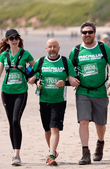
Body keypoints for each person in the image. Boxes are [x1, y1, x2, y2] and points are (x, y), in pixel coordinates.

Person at [68, 21, 110, 165]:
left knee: (100, 124)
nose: (87, 34)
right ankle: (85, 153)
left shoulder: (103, 48)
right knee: (83, 121)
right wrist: (70, 78)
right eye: (84, 32)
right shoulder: (76, 50)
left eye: (90, 32)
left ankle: (100, 143)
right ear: (81, 34)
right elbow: (68, 68)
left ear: (94, 33)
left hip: (101, 91)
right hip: (82, 91)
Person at [29, 38, 79, 166]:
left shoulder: (65, 62)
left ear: (59, 48)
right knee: (47, 130)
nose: (52, 49)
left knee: (54, 128)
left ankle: (51, 155)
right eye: (50, 47)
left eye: (54, 47)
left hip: (59, 101)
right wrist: (37, 82)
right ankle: (53, 151)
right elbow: (32, 76)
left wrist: (65, 83)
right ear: (46, 49)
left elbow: (75, 80)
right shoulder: (40, 62)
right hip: (44, 100)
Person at [0, 29, 35, 166]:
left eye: (16, 37)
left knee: (15, 120)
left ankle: (17, 155)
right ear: (7, 41)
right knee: (11, 123)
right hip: (6, 93)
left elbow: (36, 69)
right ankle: (14, 153)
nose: (14, 40)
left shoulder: (25, 54)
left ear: (19, 39)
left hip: (21, 92)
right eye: (11, 38)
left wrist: (34, 77)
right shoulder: (3, 56)